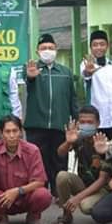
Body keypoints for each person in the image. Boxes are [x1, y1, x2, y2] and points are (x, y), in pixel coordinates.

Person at [24, 33, 78, 197]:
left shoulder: (66, 72)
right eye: (43, 48)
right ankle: (40, 191)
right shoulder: (31, 69)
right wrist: (30, 76)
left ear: (56, 49)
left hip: (59, 125)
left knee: (59, 159)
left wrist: (75, 122)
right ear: (37, 51)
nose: (47, 51)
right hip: (36, 125)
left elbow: (72, 99)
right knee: (38, 160)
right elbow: (28, 79)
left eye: (50, 48)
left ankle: (58, 192)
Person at [0, 115, 51, 224]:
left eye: (15, 131)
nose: (11, 135)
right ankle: (2, 218)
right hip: (4, 198)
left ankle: (33, 216)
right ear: (1, 133)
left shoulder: (32, 150)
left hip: (26, 197)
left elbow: (40, 181)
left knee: (43, 195)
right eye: (7, 131)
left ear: (20, 132)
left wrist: (17, 191)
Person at [50, 105, 111, 224]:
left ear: (98, 123)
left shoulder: (104, 142)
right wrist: (68, 142)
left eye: (90, 122)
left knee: (85, 206)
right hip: (84, 184)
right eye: (82, 122)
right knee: (62, 176)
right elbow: (60, 153)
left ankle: (105, 212)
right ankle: (66, 215)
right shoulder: (79, 138)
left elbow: (102, 180)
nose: (86, 125)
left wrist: (77, 198)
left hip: (103, 189)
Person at [81, 30, 112, 139]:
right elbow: (86, 75)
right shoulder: (85, 65)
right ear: (91, 47)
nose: (99, 47)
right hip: (97, 123)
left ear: (107, 46)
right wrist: (88, 71)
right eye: (95, 45)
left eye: (102, 44)